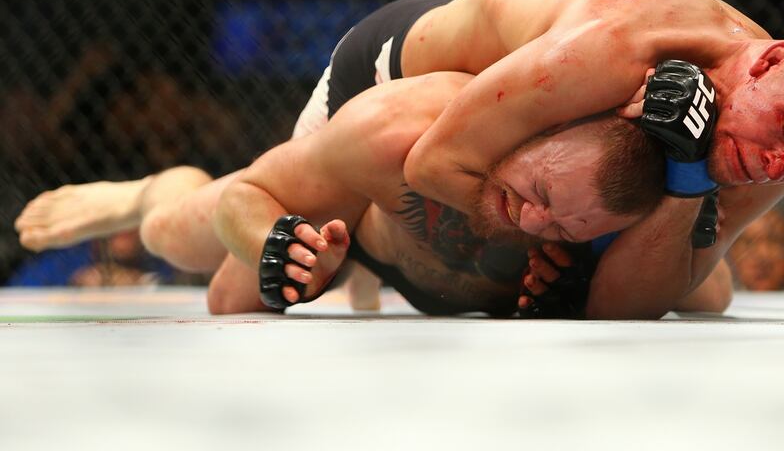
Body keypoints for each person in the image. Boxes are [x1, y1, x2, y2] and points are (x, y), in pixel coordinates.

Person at [19, 0, 784, 318]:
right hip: (410, 91)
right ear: (770, 60)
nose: (780, 163)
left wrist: (686, 181)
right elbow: (441, 158)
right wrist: (547, 244)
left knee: (700, 284)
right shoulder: (619, 39)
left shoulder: (779, 146)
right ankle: (150, 192)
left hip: (535, 174)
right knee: (213, 247)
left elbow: (626, 312)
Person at [16, 72, 676, 315]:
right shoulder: (401, 133)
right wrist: (283, 248)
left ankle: (350, 267)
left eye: (562, 226)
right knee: (184, 247)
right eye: (538, 189)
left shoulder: (623, 223)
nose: (532, 220)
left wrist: (694, 185)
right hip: (363, 134)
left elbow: (706, 288)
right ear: (540, 130)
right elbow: (250, 194)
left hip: (404, 243)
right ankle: (149, 192)